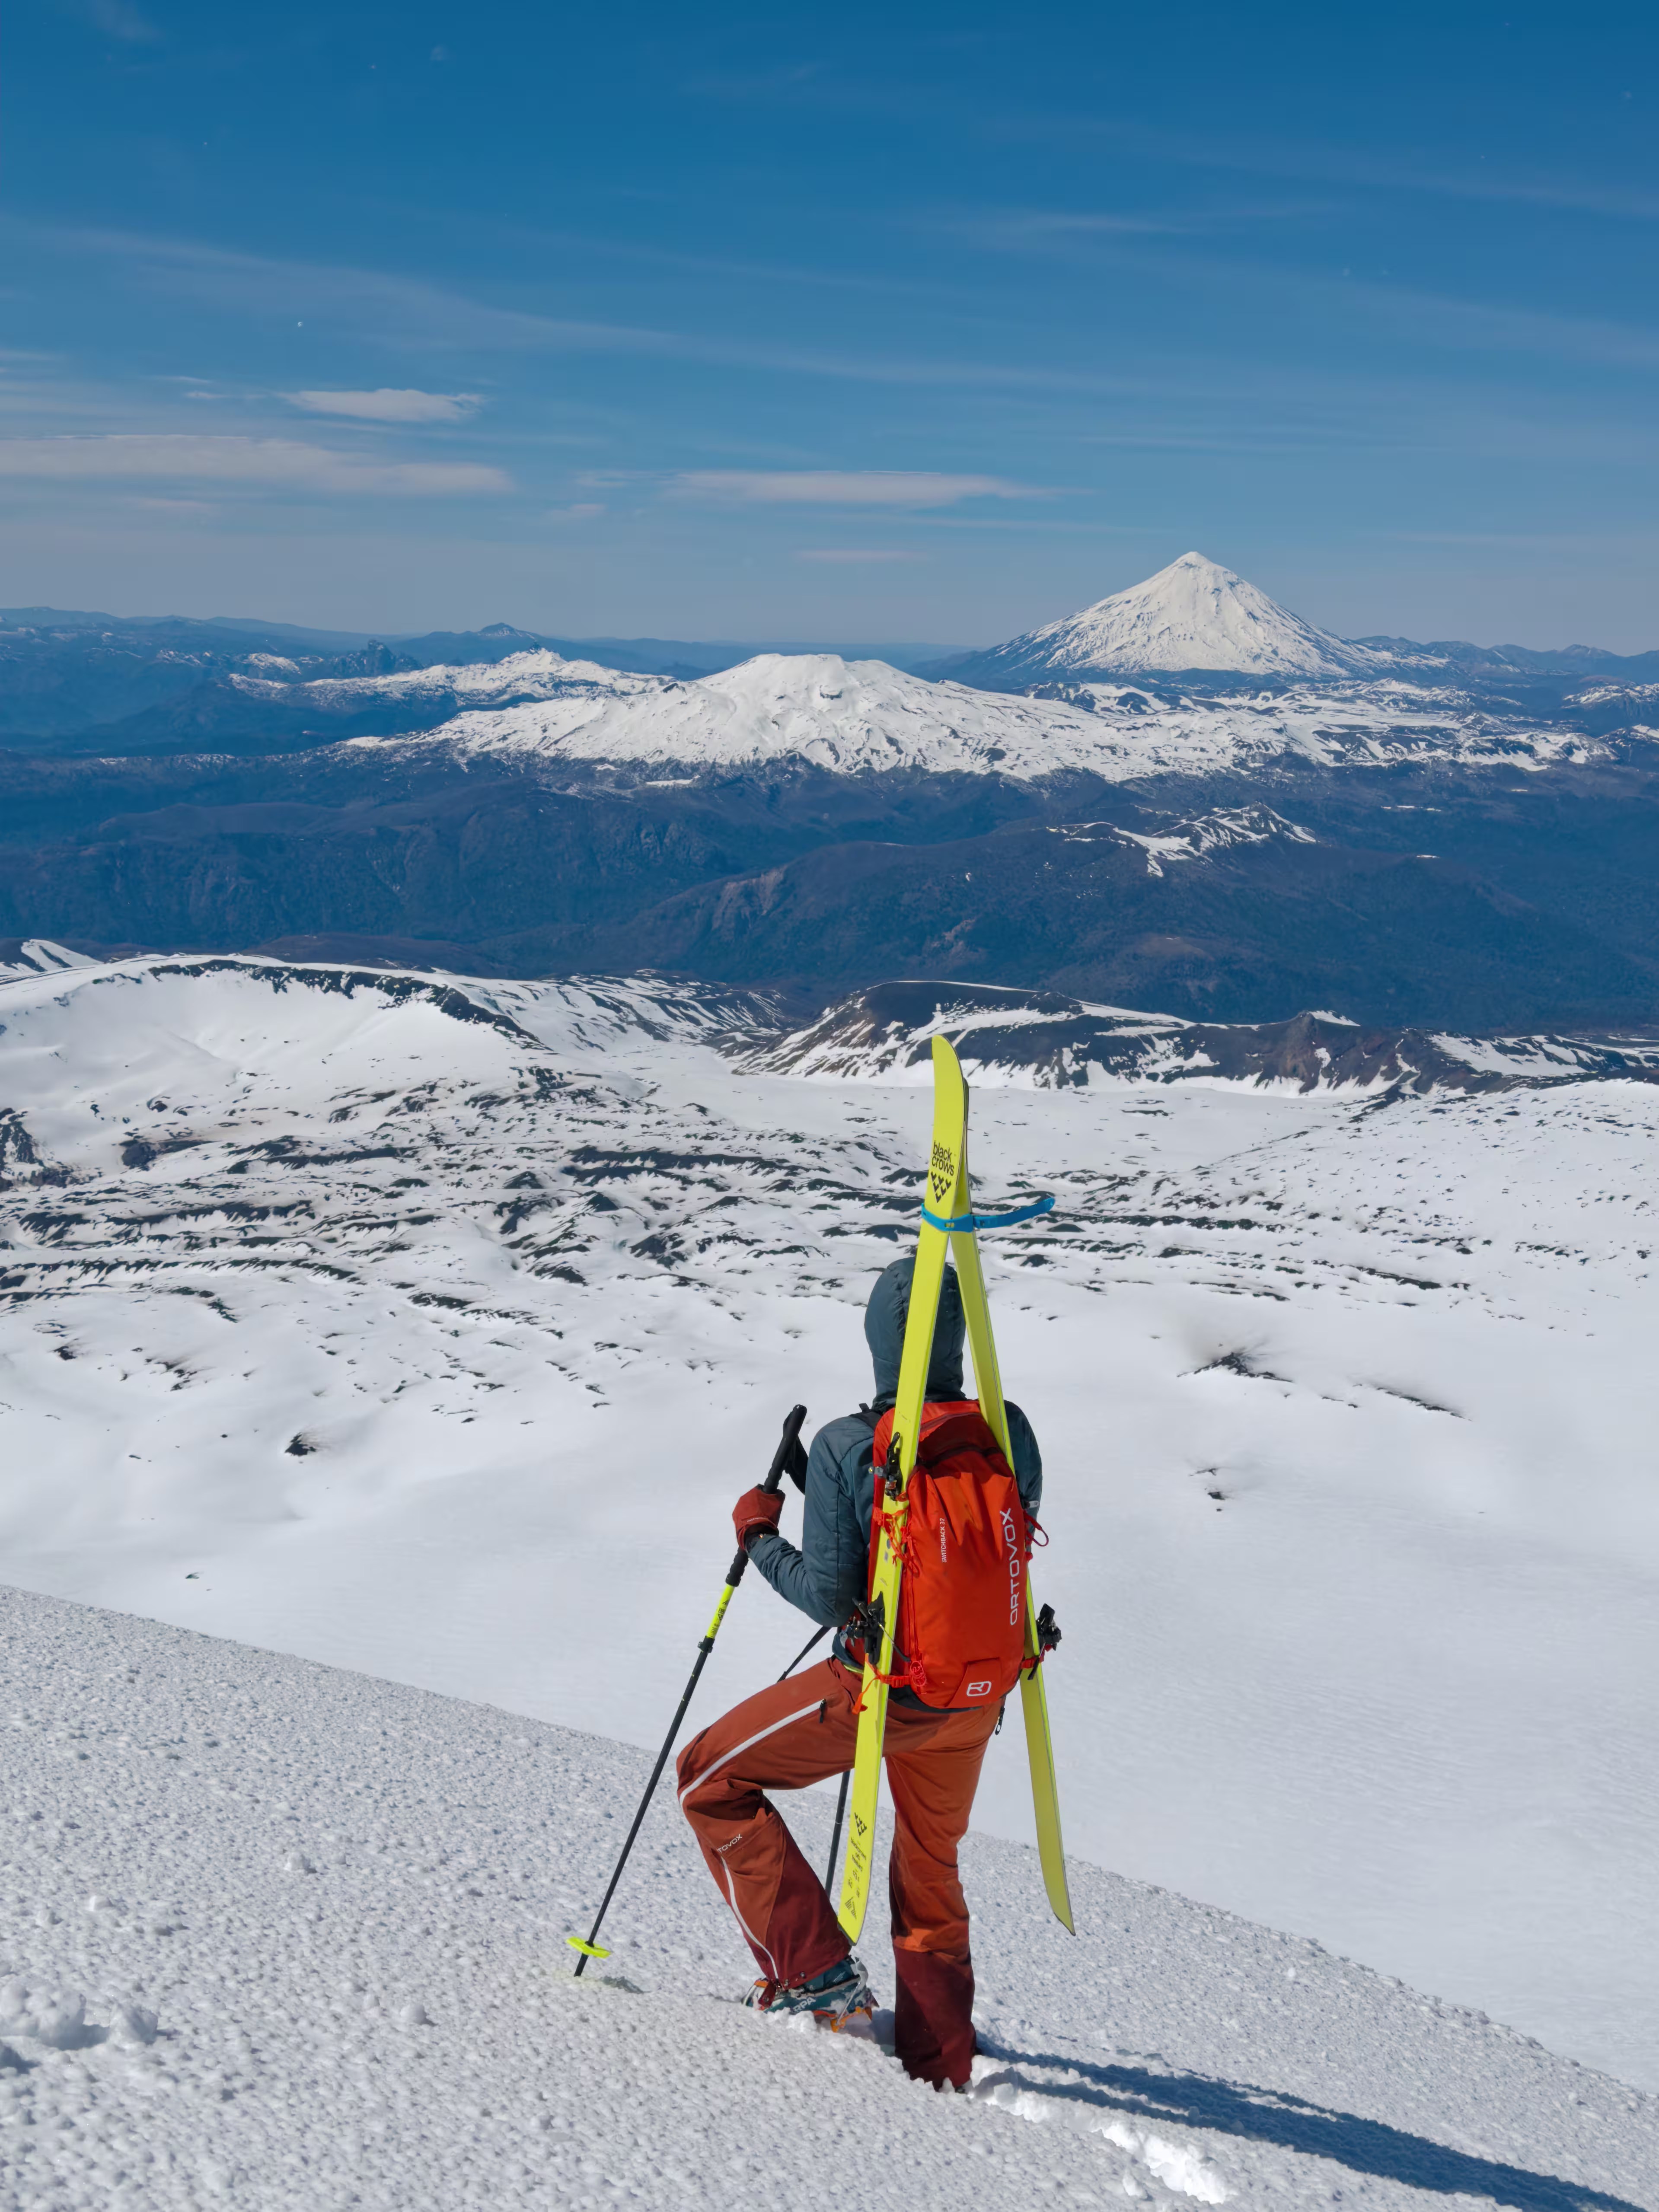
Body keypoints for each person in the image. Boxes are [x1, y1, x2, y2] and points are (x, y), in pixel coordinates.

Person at [675, 1253, 1041, 2091]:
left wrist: (758, 1537)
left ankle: (813, 1977)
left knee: (707, 1779)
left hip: (876, 1691)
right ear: (953, 1338)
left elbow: (832, 1598)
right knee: (928, 1871)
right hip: (974, 1696)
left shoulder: (850, 1443)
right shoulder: (1007, 1429)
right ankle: (941, 2059)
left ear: (878, 1338)